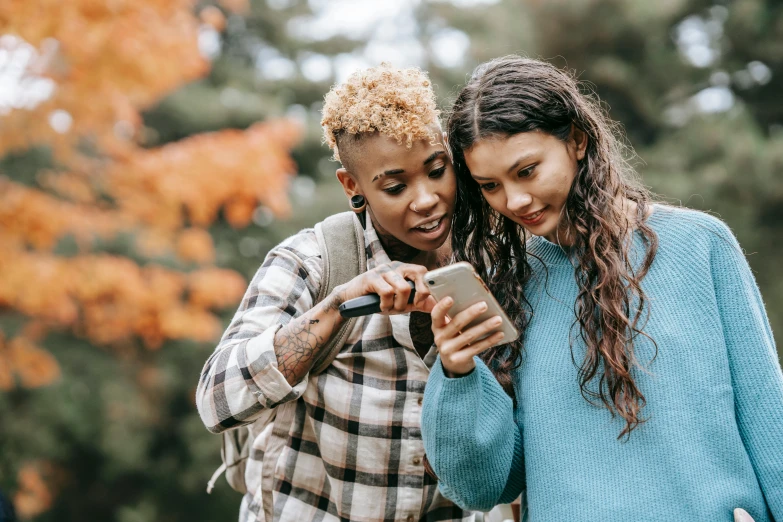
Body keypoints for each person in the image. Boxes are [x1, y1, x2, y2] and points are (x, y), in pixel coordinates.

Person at [420, 56, 782, 522]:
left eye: (526, 170)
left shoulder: (699, 246)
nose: (514, 201)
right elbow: (483, 486)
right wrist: (457, 374)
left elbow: (768, 421)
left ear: (576, 140)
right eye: (490, 186)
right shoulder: (512, 284)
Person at [196, 64, 474, 521]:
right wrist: (338, 307)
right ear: (353, 186)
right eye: (396, 186)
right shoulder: (313, 260)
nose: (425, 199)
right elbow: (216, 400)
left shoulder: (493, 260)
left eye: (436, 170)